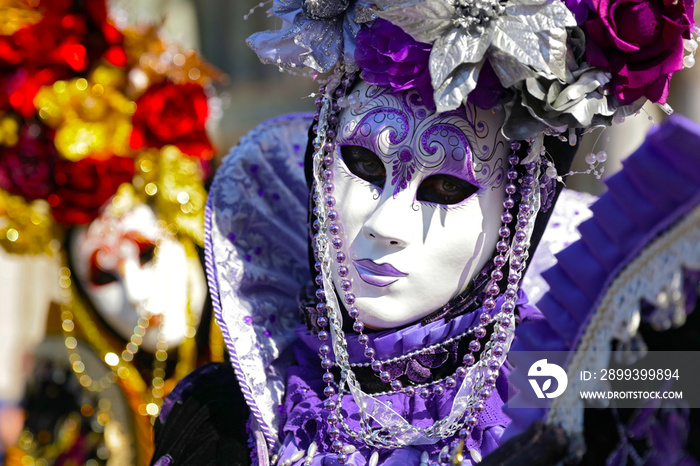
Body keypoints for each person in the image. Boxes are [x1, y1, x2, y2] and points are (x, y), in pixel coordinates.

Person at [151, 1, 700, 464]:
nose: (385, 226)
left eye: (444, 189)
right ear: (319, 164)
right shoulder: (219, 421)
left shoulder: (582, 394)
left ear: (521, 215)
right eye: (364, 166)